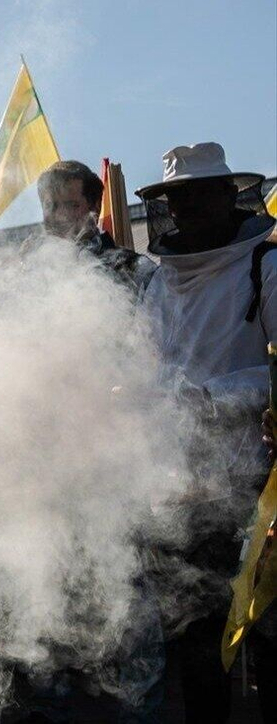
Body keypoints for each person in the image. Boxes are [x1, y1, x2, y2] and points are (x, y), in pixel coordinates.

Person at [135, 142, 276, 723]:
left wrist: (214, 397)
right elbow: (145, 369)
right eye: (176, 199)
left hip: (256, 483)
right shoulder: (158, 284)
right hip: (180, 486)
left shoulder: (264, 267)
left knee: (264, 628)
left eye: (197, 196)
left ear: (227, 196)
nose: (186, 210)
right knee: (192, 629)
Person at [33, 160, 152, 294]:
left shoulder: (132, 270)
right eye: (51, 206)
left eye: (71, 205)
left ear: (96, 206)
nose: (60, 215)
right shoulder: (31, 273)